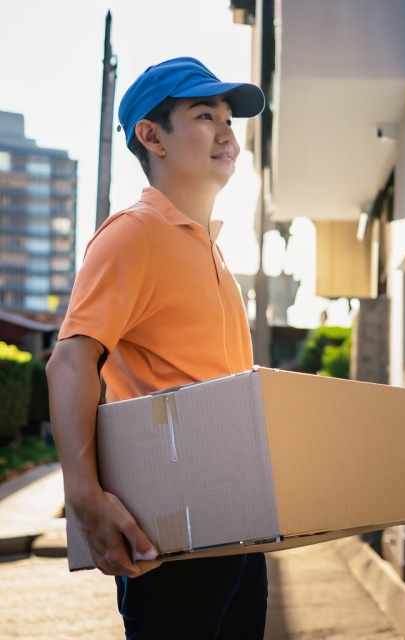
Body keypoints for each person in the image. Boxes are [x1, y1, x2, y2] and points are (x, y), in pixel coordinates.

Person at [46, 57, 267, 639]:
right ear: (152, 136)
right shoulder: (134, 234)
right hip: (173, 536)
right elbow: (71, 359)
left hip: (239, 526)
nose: (226, 132)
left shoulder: (212, 252)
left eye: (228, 117)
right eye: (203, 115)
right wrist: (83, 496)